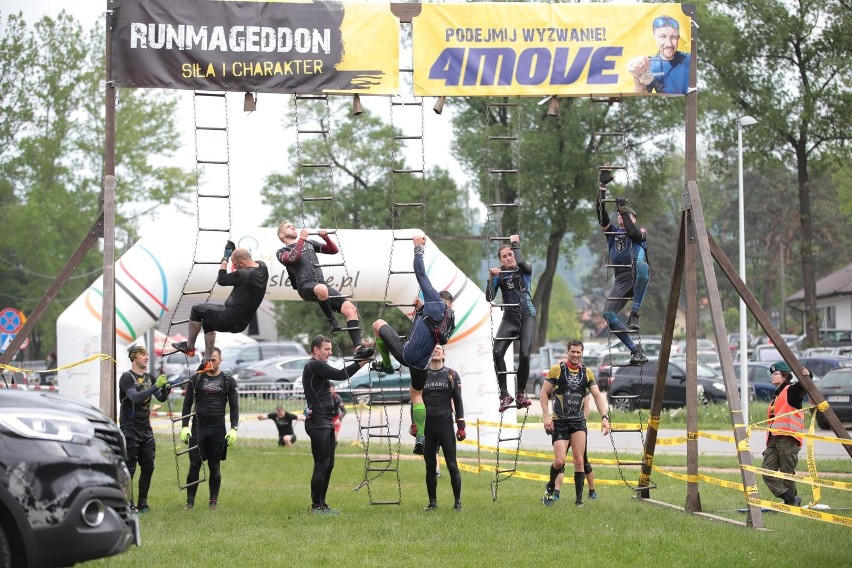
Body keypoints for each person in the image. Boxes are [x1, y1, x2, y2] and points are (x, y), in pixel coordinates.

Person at [372, 235, 455, 455]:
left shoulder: (434, 302)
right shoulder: (449, 318)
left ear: (438, 298)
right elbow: (428, 330)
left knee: (378, 324)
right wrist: (420, 311)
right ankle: (420, 437)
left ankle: (387, 365)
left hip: (408, 355)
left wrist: (418, 249)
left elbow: (421, 274)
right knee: (416, 394)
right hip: (423, 365)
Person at [303, 335, 373, 514]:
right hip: (318, 421)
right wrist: (361, 362)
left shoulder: (318, 367)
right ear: (316, 350)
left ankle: (322, 504)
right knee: (321, 463)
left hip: (326, 421)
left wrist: (361, 359)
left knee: (329, 463)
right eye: (326, 349)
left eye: (330, 349)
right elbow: (340, 374)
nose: (329, 352)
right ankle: (315, 506)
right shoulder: (313, 365)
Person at [173, 242, 269, 371]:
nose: (234, 267)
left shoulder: (244, 275)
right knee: (208, 322)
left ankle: (189, 346)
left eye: (235, 264)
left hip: (229, 317)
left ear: (241, 263)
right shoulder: (263, 267)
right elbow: (243, 265)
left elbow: (222, 279)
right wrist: (235, 255)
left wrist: (225, 259)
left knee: (196, 310)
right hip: (241, 323)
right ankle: (207, 361)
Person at [277, 222, 368, 354]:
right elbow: (291, 258)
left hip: (320, 283)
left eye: (292, 225)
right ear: (282, 234)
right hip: (305, 285)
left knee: (350, 309)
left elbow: (333, 250)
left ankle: (358, 348)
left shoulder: (310, 243)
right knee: (322, 289)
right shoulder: (282, 252)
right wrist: (302, 238)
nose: (292, 227)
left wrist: (326, 238)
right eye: (288, 227)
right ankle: (331, 320)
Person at [540, 340, 610, 507]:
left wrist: (604, 417)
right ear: (568, 352)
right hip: (560, 422)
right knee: (560, 461)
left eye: (578, 352)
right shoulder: (557, 370)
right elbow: (543, 393)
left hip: (578, 422)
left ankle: (579, 501)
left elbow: (597, 396)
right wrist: (546, 416)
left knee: (579, 461)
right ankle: (550, 486)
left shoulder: (587, 373)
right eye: (573, 352)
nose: (575, 355)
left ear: (582, 353)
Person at [597, 167, 649, 365]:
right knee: (608, 313)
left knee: (643, 266)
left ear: (633, 219)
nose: (621, 218)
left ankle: (634, 313)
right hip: (621, 280)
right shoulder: (612, 233)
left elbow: (634, 233)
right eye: (619, 216)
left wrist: (625, 210)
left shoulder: (640, 231)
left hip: (637, 272)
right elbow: (600, 214)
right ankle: (635, 350)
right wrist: (602, 187)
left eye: (626, 216)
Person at [179, 347, 239, 511]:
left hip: (218, 429)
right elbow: (187, 405)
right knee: (194, 464)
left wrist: (234, 428)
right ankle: (190, 502)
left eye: (213, 359)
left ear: (220, 360)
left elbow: (234, 407)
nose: (211, 363)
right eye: (208, 360)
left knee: (215, 466)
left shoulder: (228, 380)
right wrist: (185, 427)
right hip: (199, 427)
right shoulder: (196, 379)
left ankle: (213, 501)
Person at [486, 234, 536, 413]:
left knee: (524, 355)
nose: (508, 258)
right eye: (504, 256)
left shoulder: (525, 268)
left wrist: (515, 244)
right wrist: (492, 278)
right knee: (497, 352)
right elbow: (489, 297)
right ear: (500, 260)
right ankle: (505, 394)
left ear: (515, 254)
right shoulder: (500, 274)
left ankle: (521, 393)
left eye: (510, 254)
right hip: (509, 318)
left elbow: (521, 263)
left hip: (527, 315)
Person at [118, 345, 171, 513]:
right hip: (130, 428)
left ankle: (143, 503)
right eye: (143, 354)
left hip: (145, 428)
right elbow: (135, 398)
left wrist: (166, 390)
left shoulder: (150, 377)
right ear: (134, 358)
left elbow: (160, 397)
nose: (147, 357)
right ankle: (128, 503)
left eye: (147, 354)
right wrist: (156, 387)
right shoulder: (127, 378)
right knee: (130, 468)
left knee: (149, 466)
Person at [422, 345, 465, 511]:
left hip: (445, 423)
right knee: (430, 466)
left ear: (444, 354)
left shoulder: (451, 374)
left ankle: (457, 502)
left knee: (452, 464)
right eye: (433, 348)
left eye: (439, 348)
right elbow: (415, 400)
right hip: (428, 426)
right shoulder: (422, 374)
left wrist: (461, 425)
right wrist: (415, 424)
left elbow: (459, 401)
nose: (435, 350)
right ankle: (432, 503)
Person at [762, 362, 809, 507]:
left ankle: (791, 502)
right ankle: (791, 499)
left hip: (789, 439)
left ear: (784, 377)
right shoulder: (776, 396)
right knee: (767, 472)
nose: (772, 376)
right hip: (774, 440)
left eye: (775, 374)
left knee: (787, 472)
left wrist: (808, 374)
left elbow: (804, 384)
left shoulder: (791, 391)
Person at [548, 394, 598, 503]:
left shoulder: (582, 387)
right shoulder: (561, 384)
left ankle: (592, 491)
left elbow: (587, 410)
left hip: (577, 427)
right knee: (560, 462)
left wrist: (580, 425)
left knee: (582, 461)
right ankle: (556, 492)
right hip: (562, 427)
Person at [627, 15, 691, 95]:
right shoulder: (649, 66)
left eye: (673, 37)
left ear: (678, 37)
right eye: (662, 37)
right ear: (655, 36)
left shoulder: (690, 59)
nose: (669, 44)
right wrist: (637, 78)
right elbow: (641, 94)